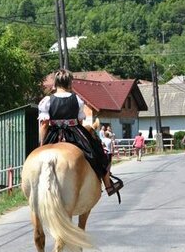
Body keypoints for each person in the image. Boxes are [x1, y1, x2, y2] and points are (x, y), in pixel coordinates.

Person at [38, 69, 123, 201]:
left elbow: (44, 125)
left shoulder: (47, 100)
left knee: (36, 158)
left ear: (55, 83)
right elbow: (80, 121)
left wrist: (42, 143)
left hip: (53, 134)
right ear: (70, 83)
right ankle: (108, 184)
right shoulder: (77, 99)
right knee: (100, 152)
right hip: (74, 133)